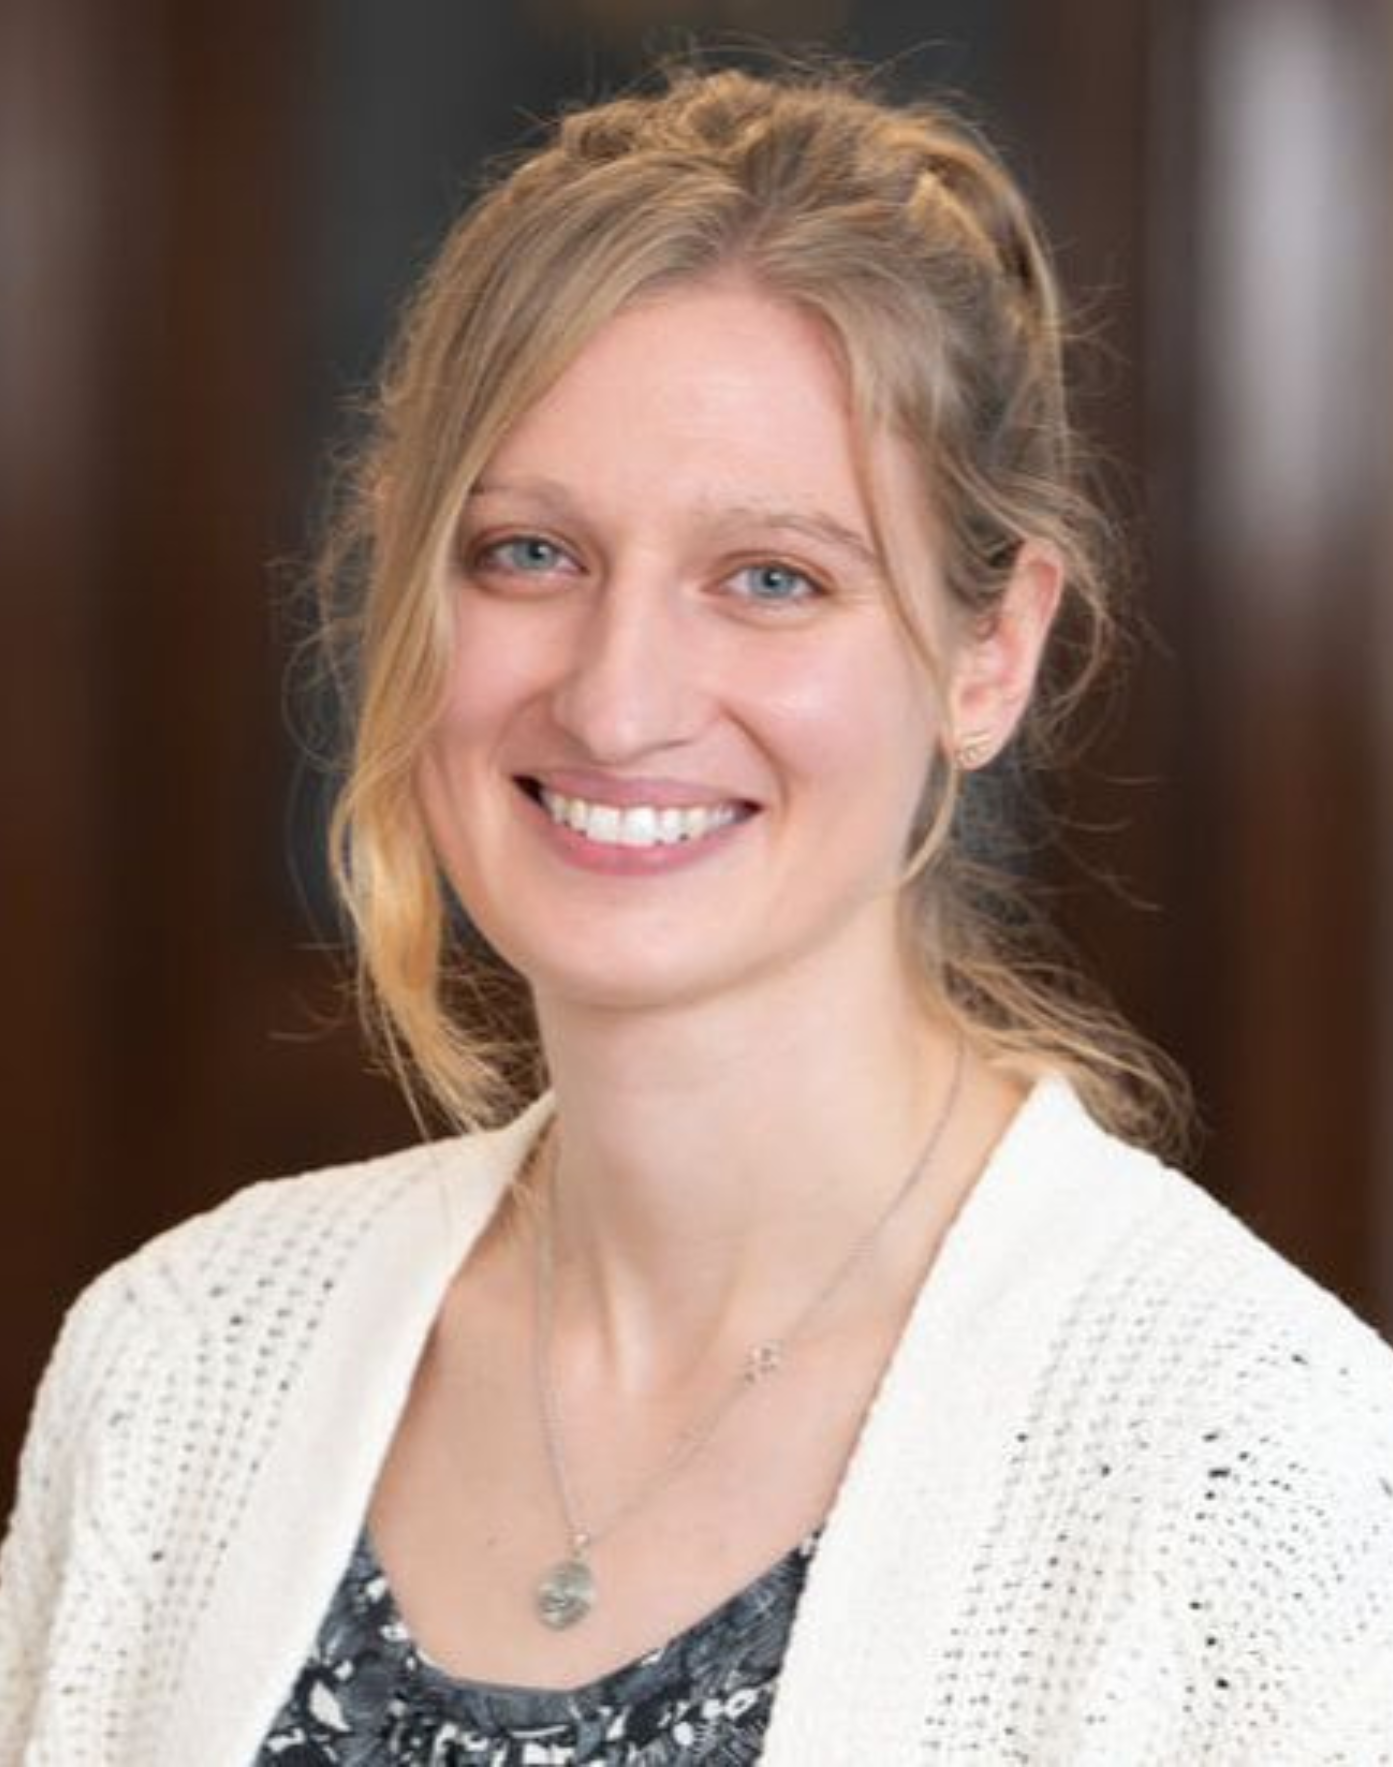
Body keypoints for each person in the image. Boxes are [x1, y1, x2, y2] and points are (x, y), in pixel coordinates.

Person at [3, 60, 1392, 1767]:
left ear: (990, 651)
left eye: (772, 578)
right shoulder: (177, 1358)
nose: (619, 697)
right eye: (528, 553)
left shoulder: (1244, 1455)